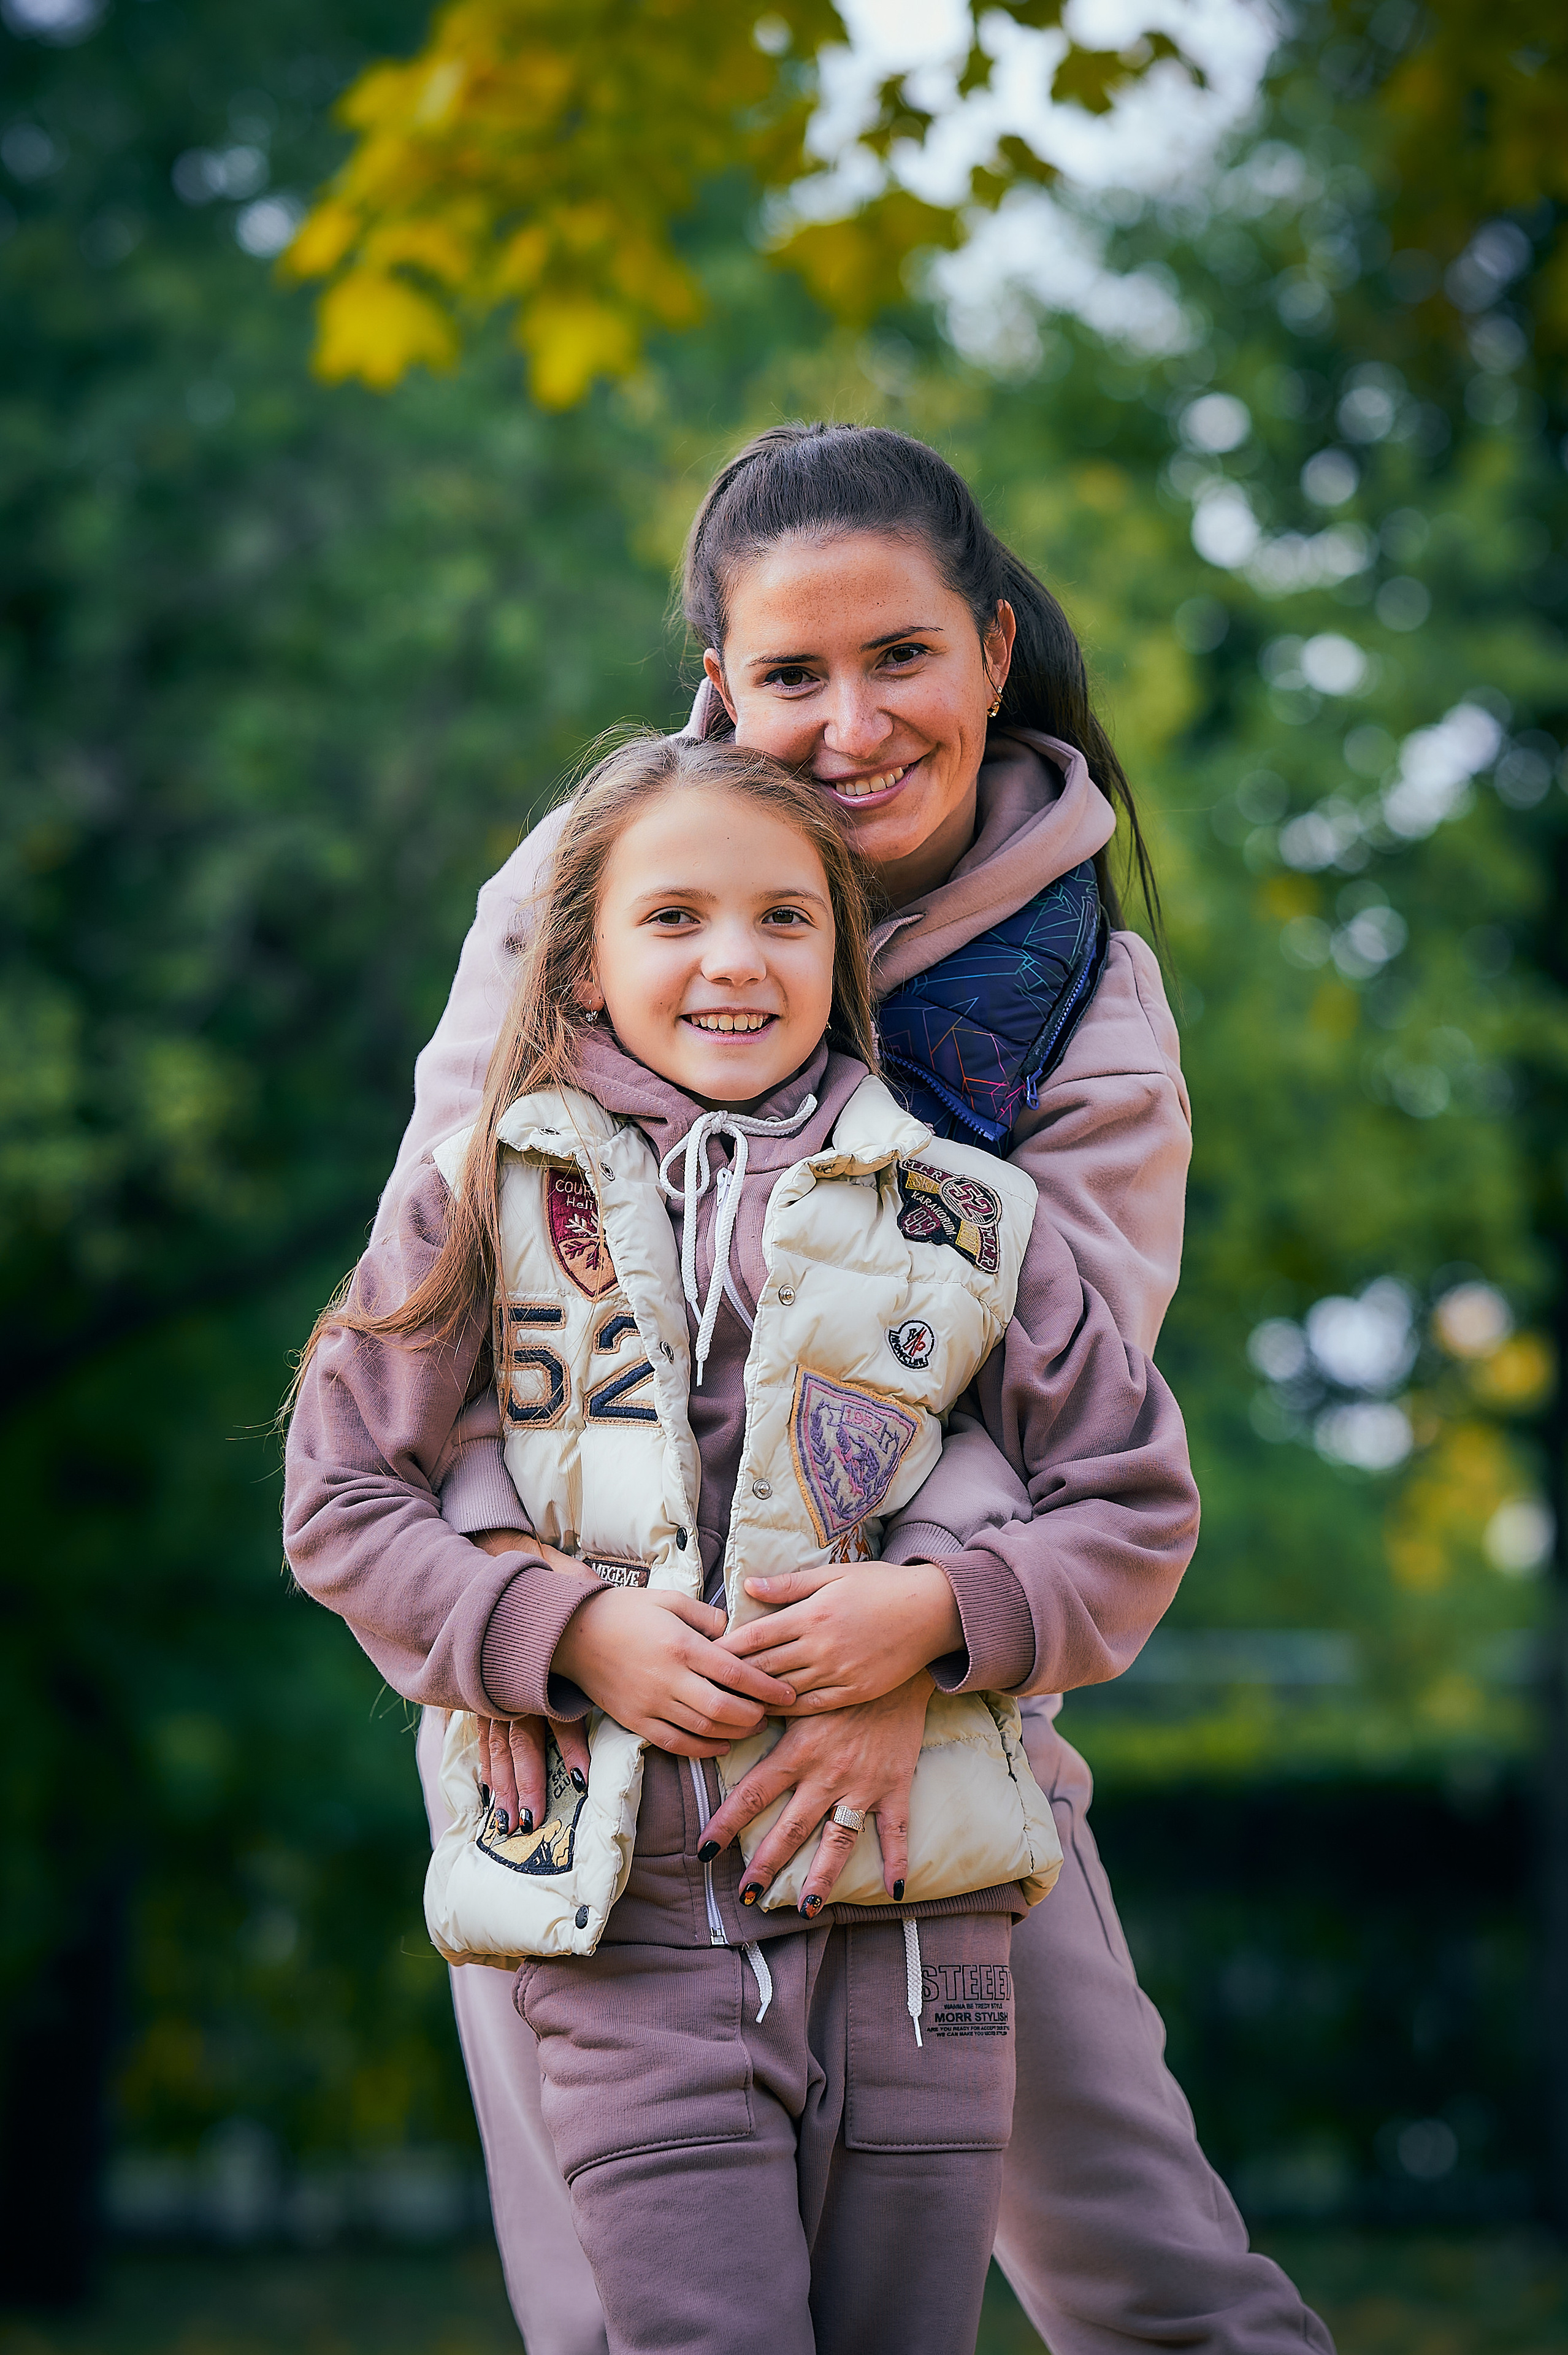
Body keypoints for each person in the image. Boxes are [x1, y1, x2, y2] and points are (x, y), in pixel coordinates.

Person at [350, 423, 1335, 2354]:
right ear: (721, 682)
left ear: (991, 646)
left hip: (924, 1723)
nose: (853, 722)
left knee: (1153, 2282)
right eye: (792, 675)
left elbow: (1072, 1413)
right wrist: (559, 1642)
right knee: (630, 2325)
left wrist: (913, 1659)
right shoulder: (575, 898)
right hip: (575, 1753)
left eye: (901, 658)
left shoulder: (1078, 997)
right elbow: (447, 1324)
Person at [284, 732, 1199, 2355]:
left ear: (846, 956)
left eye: (787, 918)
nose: (734, 958)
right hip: (630, 1923)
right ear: (580, 957)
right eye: (675, 918)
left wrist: (938, 1615)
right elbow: (343, 1500)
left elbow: (1132, 1503)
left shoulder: (966, 1216)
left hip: (922, 1929)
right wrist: (560, 1631)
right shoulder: (485, 1196)